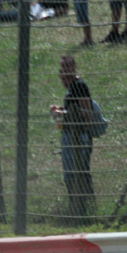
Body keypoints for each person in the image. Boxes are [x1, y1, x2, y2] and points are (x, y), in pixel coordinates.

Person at [49, 55, 95, 223]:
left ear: (74, 67)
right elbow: (74, 110)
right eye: (62, 67)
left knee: (78, 173)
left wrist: (64, 114)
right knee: (70, 174)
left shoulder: (79, 86)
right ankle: (76, 209)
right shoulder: (71, 88)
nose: (64, 70)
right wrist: (61, 110)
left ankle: (82, 210)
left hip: (79, 137)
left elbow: (86, 112)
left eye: (67, 66)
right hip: (69, 136)